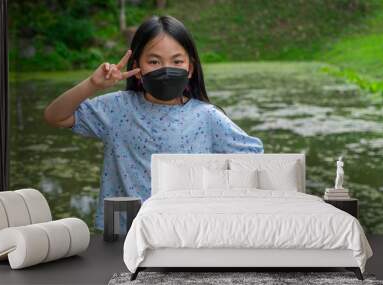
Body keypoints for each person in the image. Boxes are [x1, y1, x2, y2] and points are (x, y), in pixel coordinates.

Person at [44, 15, 264, 233]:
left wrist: (211, 196)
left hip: (184, 231)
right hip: (123, 232)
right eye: (154, 61)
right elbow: (55, 116)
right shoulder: (117, 108)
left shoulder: (206, 117)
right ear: (137, 67)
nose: (166, 69)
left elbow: (254, 157)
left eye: (177, 61)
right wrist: (92, 84)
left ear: (190, 69)